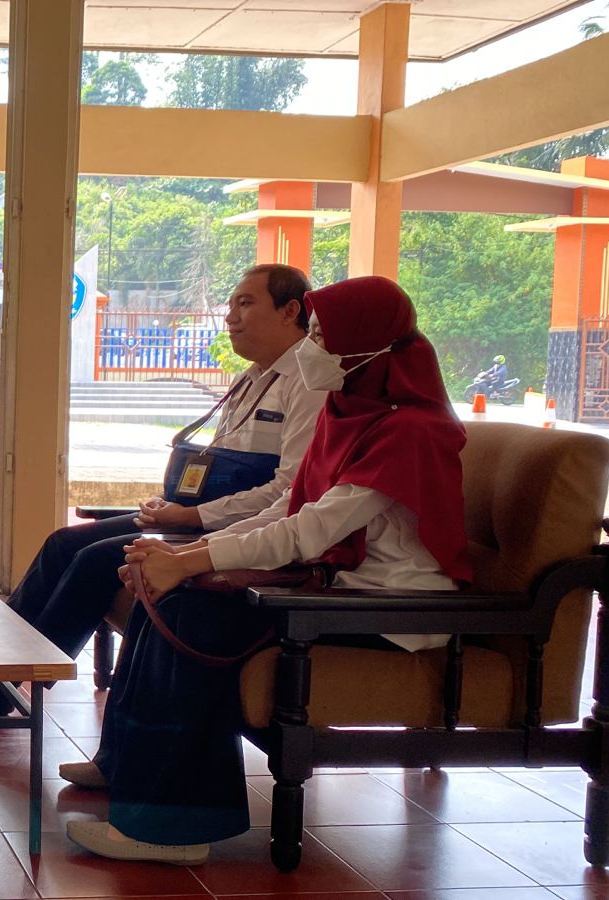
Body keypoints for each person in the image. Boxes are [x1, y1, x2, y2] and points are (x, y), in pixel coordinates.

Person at [63, 275, 472, 865]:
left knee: (190, 616)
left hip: (389, 611)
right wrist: (183, 554)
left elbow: (310, 531)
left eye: (324, 336)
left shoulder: (409, 430)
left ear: (366, 345)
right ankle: (129, 769)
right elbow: (290, 507)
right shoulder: (352, 413)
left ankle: (170, 829)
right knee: (172, 602)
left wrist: (190, 559)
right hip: (332, 586)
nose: (312, 347)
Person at [0, 263, 326, 717]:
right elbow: (218, 466)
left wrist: (192, 516)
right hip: (194, 516)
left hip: (232, 531)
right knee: (63, 542)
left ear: (290, 311)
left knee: (94, 559)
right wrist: (175, 504)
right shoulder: (250, 379)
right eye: (231, 304)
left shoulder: (308, 384)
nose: (230, 317)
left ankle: (0, 684)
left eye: (245, 303)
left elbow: (288, 491)